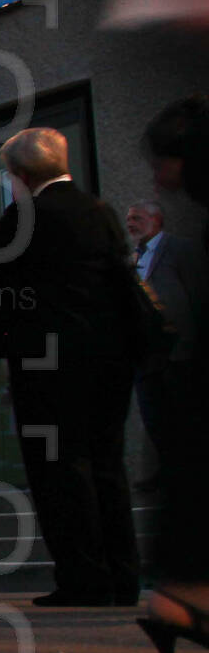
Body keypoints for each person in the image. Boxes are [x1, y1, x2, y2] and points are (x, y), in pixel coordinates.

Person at [0, 127, 141, 607]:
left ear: (20, 175)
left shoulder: (29, 215)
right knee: (107, 466)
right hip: (108, 360)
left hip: (46, 363)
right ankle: (124, 576)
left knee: (58, 471)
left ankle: (84, 578)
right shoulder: (99, 211)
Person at [137, 97, 209, 653]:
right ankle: (183, 595)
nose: (160, 178)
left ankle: (180, 596)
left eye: (164, 163)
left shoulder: (183, 246)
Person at [129, 198, 204, 482]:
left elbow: (197, 293)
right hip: (148, 353)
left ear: (156, 220)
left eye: (137, 218)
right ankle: (169, 471)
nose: (130, 223)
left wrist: (192, 342)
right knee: (155, 416)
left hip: (178, 351)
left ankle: (188, 475)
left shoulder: (180, 249)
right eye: (129, 218)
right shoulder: (134, 256)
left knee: (182, 415)